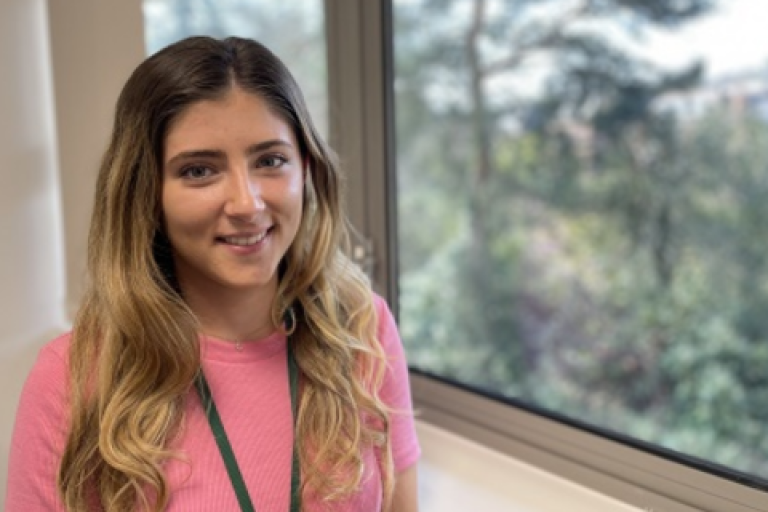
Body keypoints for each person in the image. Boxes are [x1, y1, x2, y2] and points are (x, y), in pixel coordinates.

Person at [5, 36, 420, 512]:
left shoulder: (364, 332)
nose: (247, 204)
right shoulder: (72, 379)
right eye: (199, 170)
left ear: (306, 170)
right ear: (146, 194)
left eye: (270, 160)